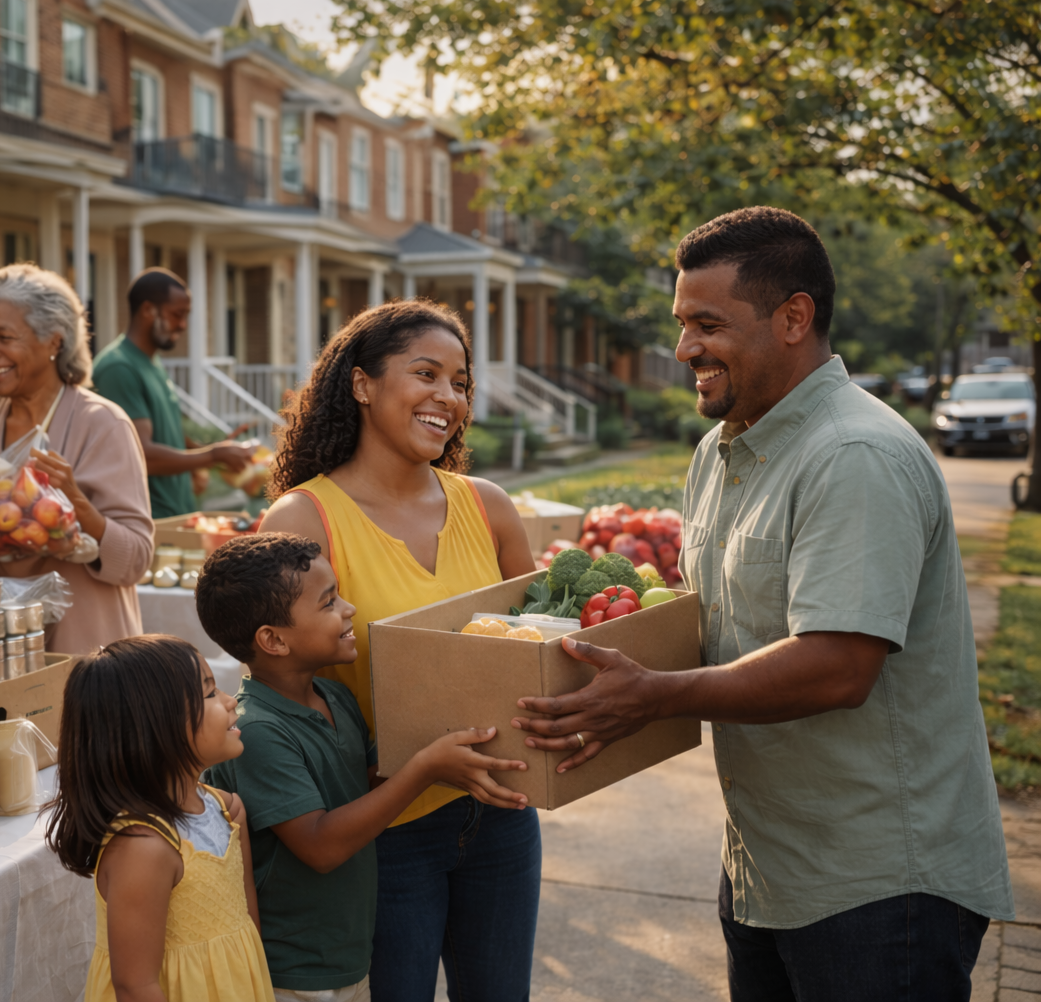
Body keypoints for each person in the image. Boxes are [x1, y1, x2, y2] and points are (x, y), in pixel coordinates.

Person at [513, 206, 1011, 998]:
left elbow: (836, 667)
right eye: (681, 324)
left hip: (880, 882)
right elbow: (717, 619)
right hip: (767, 863)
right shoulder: (723, 450)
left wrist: (651, 699)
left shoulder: (854, 456)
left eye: (708, 324)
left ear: (793, 318)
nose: (685, 350)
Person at [257, 300, 541, 1001]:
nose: (448, 396)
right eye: (426, 373)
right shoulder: (303, 517)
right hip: (383, 827)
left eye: (460, 382)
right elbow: (277, 686)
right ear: (361, 384)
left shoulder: (489, 507)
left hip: (503, 813)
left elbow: (541, 649)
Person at [195, 533, 527, 1002]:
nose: (349, 609)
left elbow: (365, 786)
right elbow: (319, 846)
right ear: (272, 639)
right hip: (292, 969)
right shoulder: (258, 732)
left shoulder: (335, 697)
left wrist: (439, 748)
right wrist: (425, 768)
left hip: (347, 956)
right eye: (329, 602)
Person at [46, 634, 275, 1002]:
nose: (231, 701)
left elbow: (246, 925)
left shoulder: (228, 810)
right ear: (156, 725)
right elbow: (136, 986)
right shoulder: (145, 847)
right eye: (211, 692)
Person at [0, 264, 153, 654]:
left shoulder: (103, 424)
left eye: (4, 337)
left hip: (87, 649)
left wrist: (77, 508)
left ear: (54, 342)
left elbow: (137, 558)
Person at [91, 267, 254, 519]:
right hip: (147, 521)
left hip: (177, 513)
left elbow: (169, 433)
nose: (183, 325)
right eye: (177, 314)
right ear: (148, 310)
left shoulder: (151, 362)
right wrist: (210, 456)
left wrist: (215, 453)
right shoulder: (118, 367)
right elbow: (142, 454)